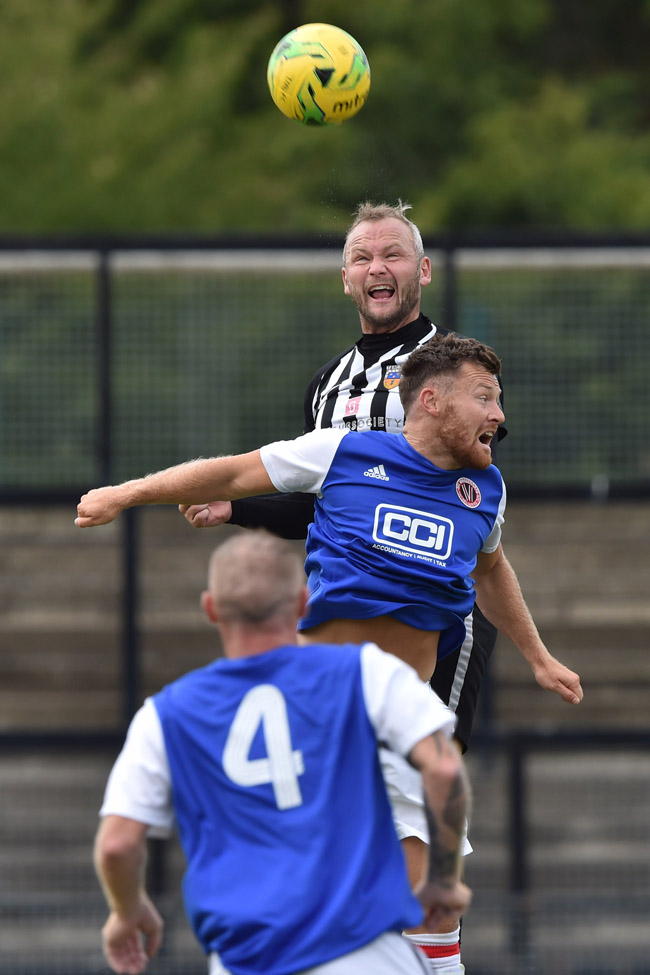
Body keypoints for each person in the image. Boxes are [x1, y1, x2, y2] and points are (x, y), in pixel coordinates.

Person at [77, 331, 583, 975]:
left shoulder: (485, 491)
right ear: (431, 400)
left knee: (431, 911)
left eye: (499, 399)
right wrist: (124, 494)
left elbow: (492, 570)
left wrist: (538, 657)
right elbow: (232, 471)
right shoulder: (343, 450)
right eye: (484, 397)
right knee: (324, 898)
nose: (499, 415)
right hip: (317, 711)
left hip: (397, 713)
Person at [188, 200, 503, 756]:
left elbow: (475, 482)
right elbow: (319, 505)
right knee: (348, 774)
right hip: (350, 606)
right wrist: (234, 508)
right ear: (345, 279)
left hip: (435, 604)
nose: (376, 267)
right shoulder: (326, 384)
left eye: (392, 255)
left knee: (429, 775)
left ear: (423, 271)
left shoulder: (456, 366)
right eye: (362, 258)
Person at [93, 531, 472, 975]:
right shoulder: (365, 672)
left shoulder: (165, 714)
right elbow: (444, 769)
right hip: (364, 952)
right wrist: (443, 881)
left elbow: (117, 844)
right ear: (303, 603)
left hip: (247, 961)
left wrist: (127, 910)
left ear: (210, 608)